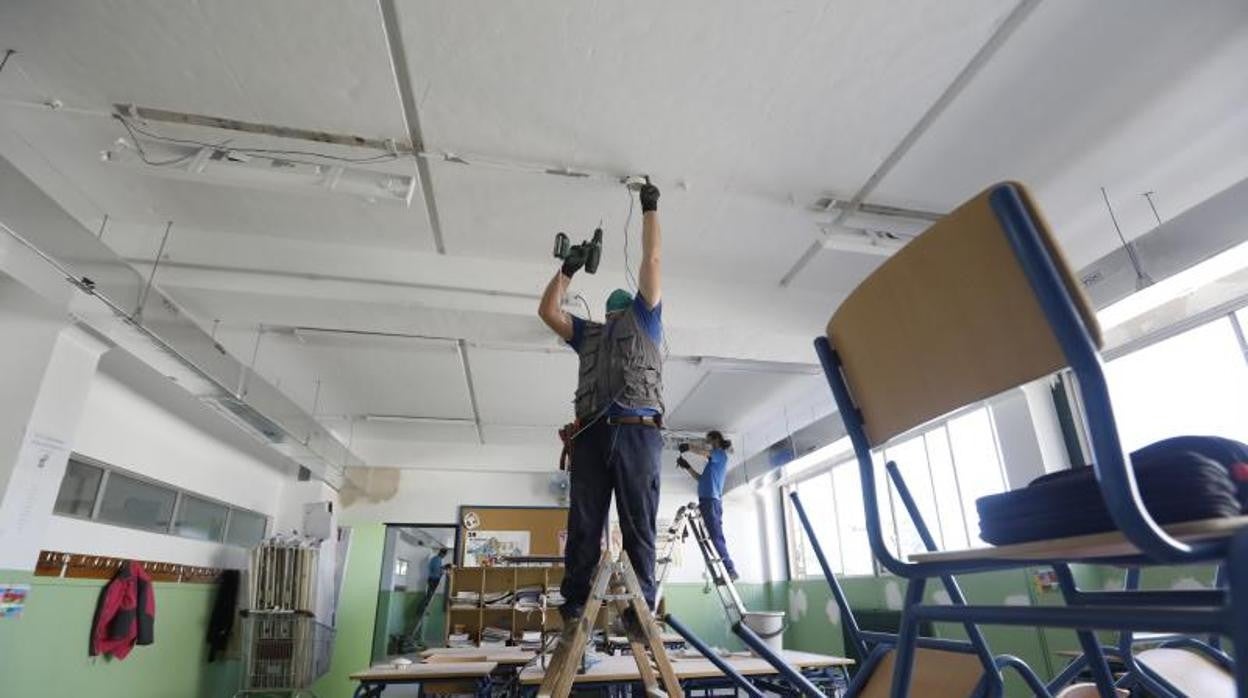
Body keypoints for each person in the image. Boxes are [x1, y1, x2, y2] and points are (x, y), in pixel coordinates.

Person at [538, 181, 664, 628]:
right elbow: (548, 311)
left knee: (637, 524)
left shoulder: (646, 318)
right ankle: (574, 606)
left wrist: (650, 207)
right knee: (586, 523)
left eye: (616, 311)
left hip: (637, 431)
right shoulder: (588, 333)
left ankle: (639, 606)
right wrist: (567, 270)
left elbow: (650, 260)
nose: (612, 316)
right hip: (593, 433)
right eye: (611, 312)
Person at [678, 431, 738, 581]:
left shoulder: (720, 454)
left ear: (716, 439)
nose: (707, 443)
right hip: (706, 501)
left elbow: (706, 453)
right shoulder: (712, 465)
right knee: (712, 538)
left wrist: (690, 447)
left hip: (711, 501)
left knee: (716, 537)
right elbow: (700, 479)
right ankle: (726, 572)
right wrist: (687, 467)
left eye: (708, 440)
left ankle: (730, 570)